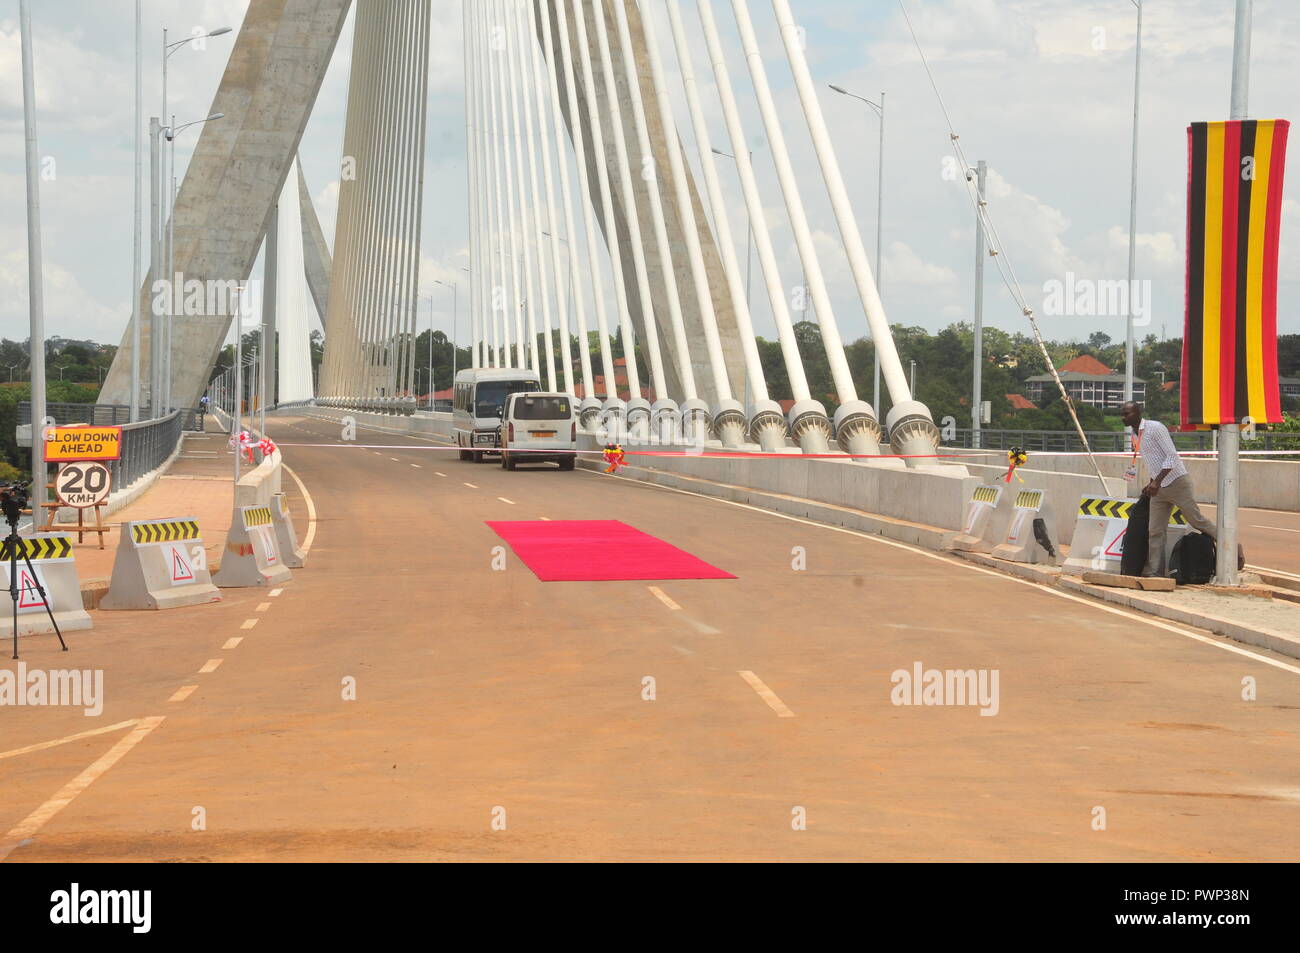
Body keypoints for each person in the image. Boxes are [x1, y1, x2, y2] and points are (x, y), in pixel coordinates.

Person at [1119, 401, 1241, 577]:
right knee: (1155, 531)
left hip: (1177, 483)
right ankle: (1155, 572)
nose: (1124, 417)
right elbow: (1155, 461)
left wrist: (1157, 481)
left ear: (1138, 413)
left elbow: (1172, 457)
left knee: (1196, 520)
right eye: (1123, 414)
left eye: (1128, 414)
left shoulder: (1155, 428)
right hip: (1158, 488)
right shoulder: (1135, 434)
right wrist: (1152, 482)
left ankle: (1232, 545)